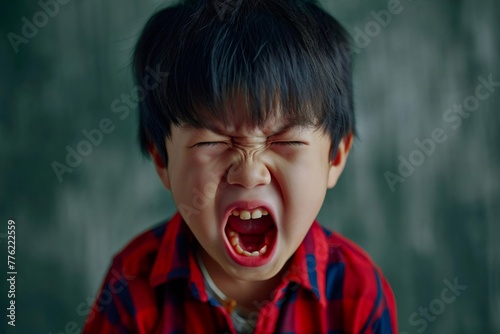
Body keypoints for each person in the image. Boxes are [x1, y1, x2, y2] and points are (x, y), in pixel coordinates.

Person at [83, 0, 398, 332]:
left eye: (286, 141)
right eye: (211, 142)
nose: (249, 174)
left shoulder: (357, 292)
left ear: (334, 156)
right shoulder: (131, 283)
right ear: (162, 158)